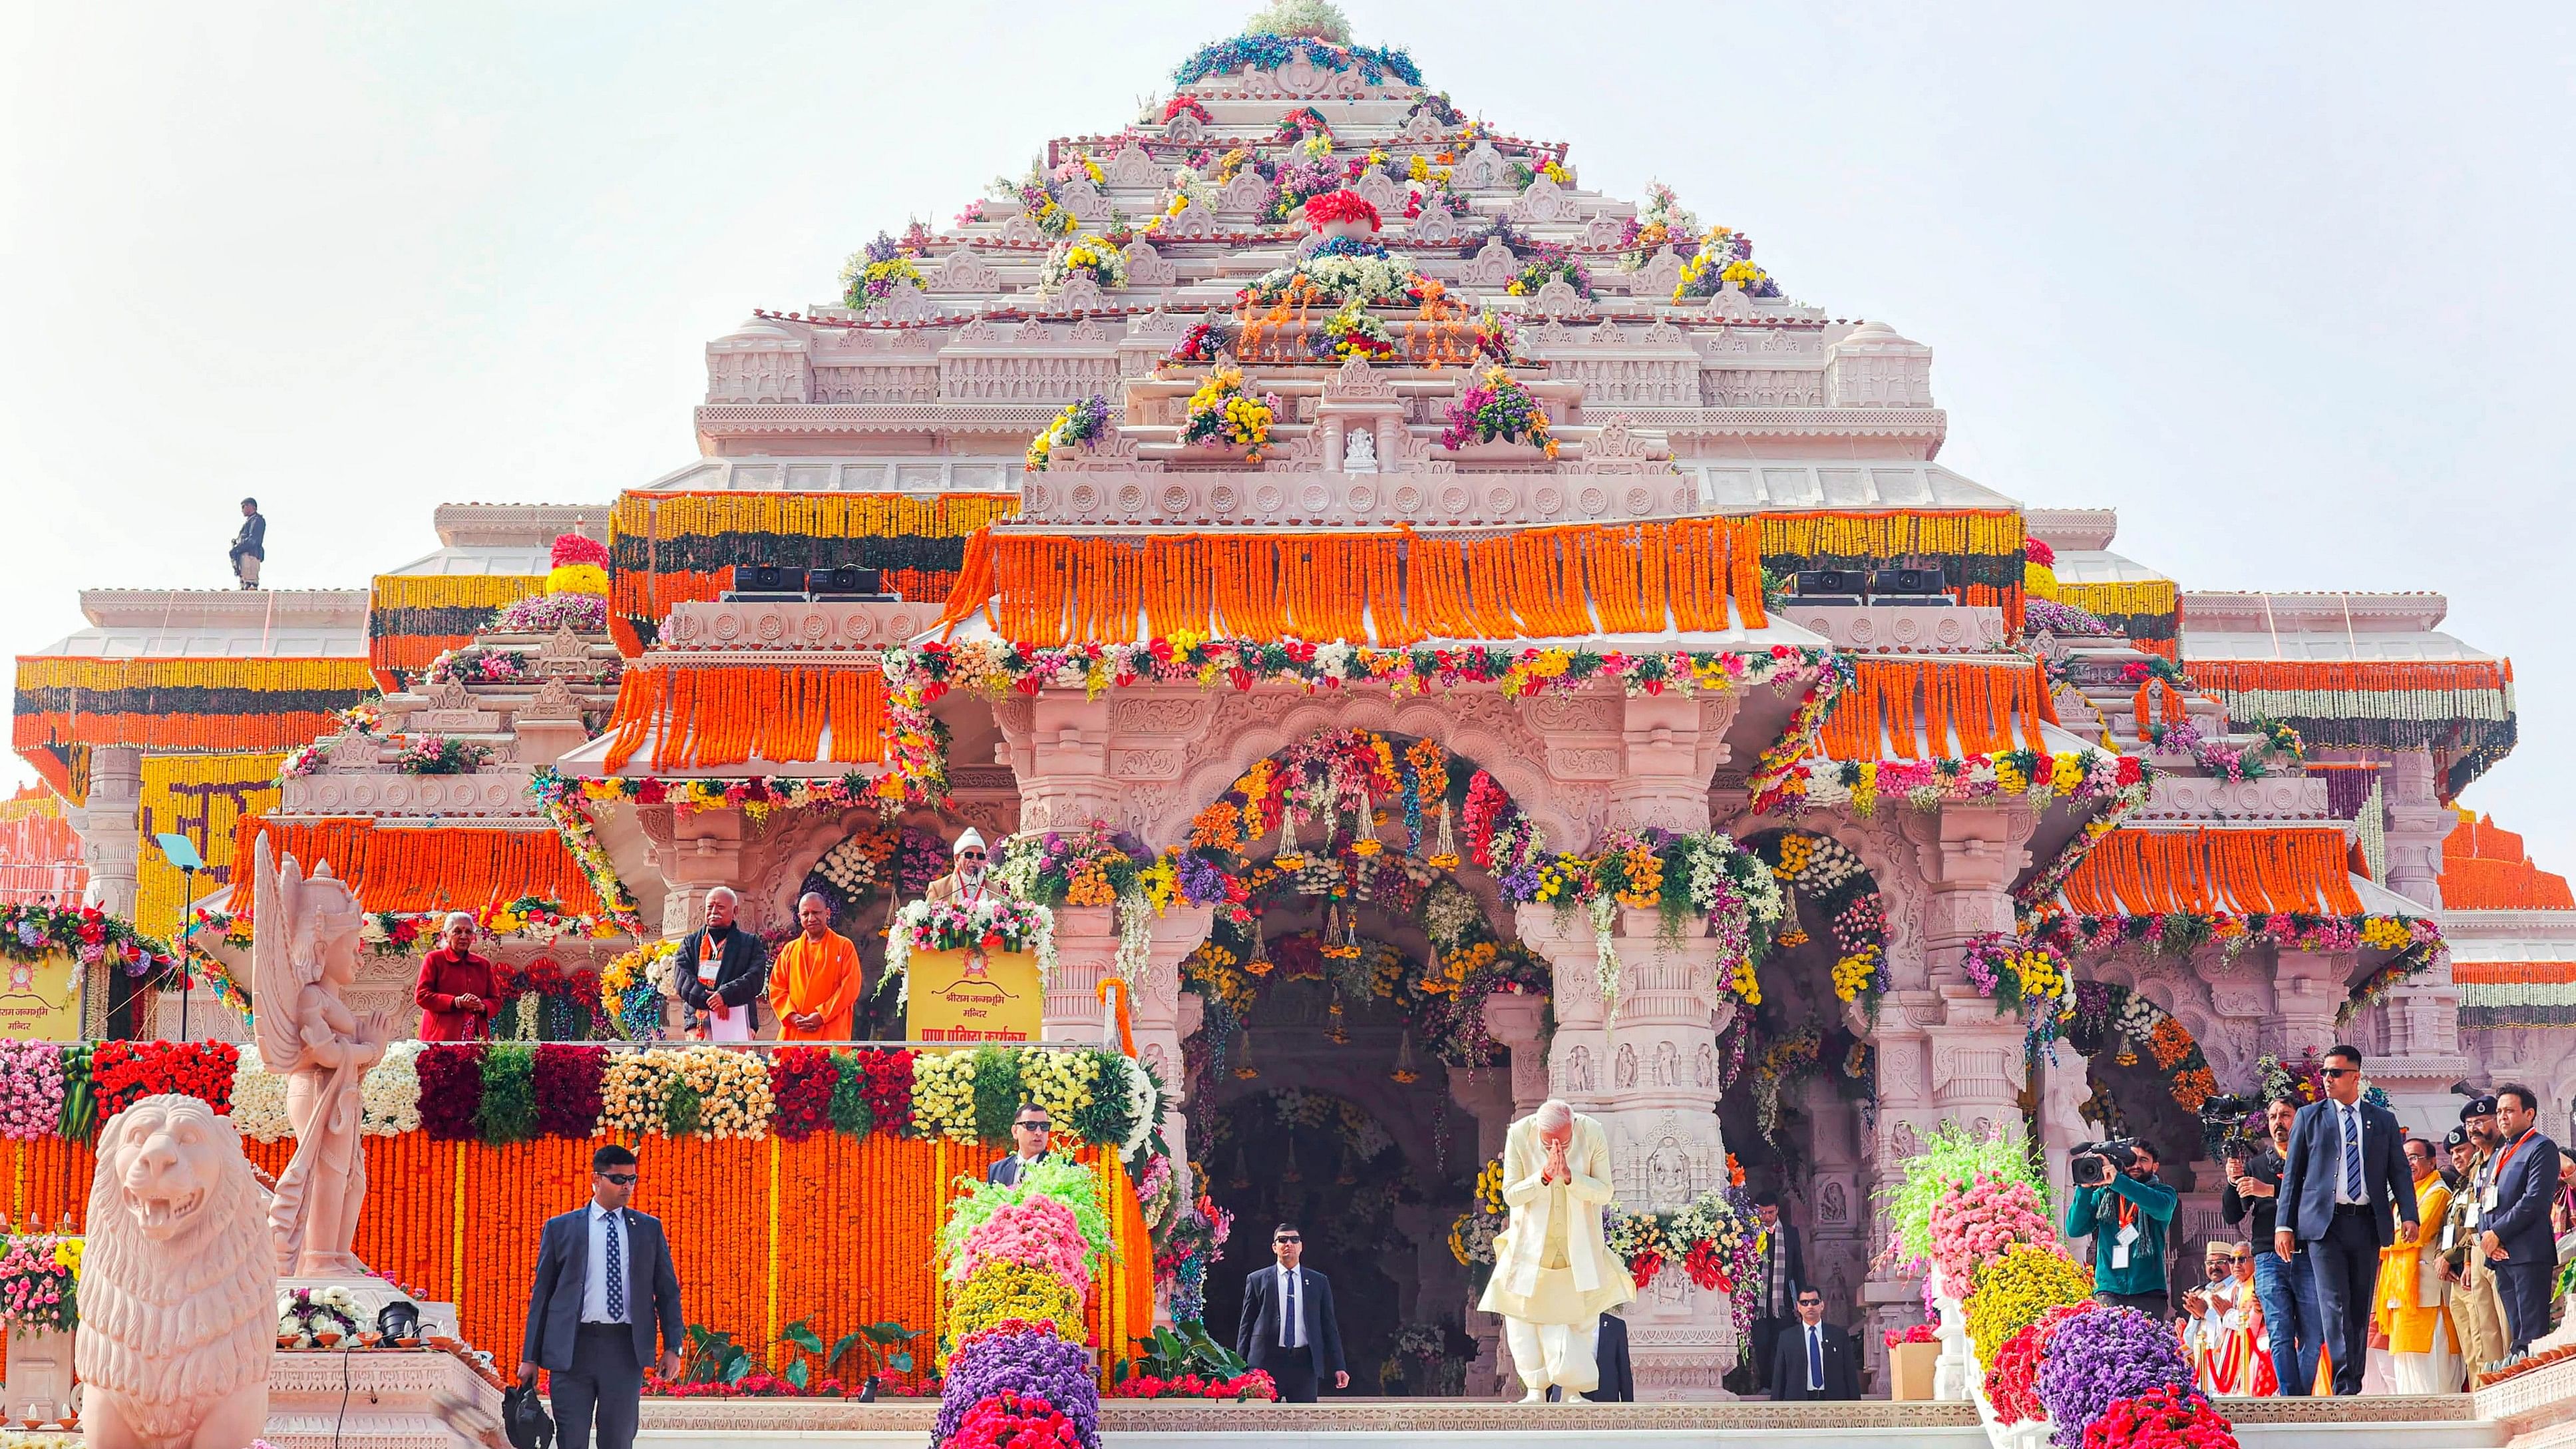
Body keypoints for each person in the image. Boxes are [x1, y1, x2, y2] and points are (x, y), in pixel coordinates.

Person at [2275, 1044, 2418, 1396]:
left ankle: (2353, 1377)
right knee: (2334, 1302)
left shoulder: (2381, 1120)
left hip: (2366, 1221)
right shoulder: (2310, 1116)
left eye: (2336, 1073)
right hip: (2325, 1225)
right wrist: (2284, 1225)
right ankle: (2343, 1381)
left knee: (2358, 1304)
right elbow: (2293, 1175)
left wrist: (2410, 1215)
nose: (2328, 1079)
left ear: (2356, 1077)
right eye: (2325, 1072)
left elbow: (2398, 1171)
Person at [520, 1145, 685, 1449]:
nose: (627, 1187)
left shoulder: (648, 1229)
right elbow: (542, 1295)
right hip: (572, 1350)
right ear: (595, 1179)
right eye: (618, 1179)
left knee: (619, 1440)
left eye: (632, 1180)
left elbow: (667, 1292)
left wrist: (674, 1346)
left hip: (624, 1350)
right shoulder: (561, 1228)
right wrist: (530, 1357)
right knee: (571, 1440)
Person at [1477, 1099, 1637, 1402]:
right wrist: (1544, 1178)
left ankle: (1573, 1390)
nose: (1556, 1150)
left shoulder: (1592, 1132)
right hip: (1531, 1246)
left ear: (1574, 1126)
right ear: (1538, 1130)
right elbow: (1511, 1194)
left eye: (1563, 1143)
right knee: (1524, 1317)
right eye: (1548, 1143)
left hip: (1579, 1246)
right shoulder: (1520, 1134)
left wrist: (1569, 1177)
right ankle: (1536, 1389)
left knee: (1577, 1319)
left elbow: (1605, 1191)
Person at [2226, 1095, 2322, 1395]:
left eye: (2285, 1115)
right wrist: (2233, 1182)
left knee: (2312, 1332)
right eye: (2272, 1117)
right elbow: (2233, 1213)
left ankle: (2300, 1400)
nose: (2278, 1122)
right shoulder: (2257, 1164)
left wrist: (2270, 1190)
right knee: (2280, 1332)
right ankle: (2291, 1400)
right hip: (2268, 1255)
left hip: (2308, 1251)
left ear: (2300, 1118)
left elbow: (2317, 1198)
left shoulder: (2316, 1157)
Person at [2373, 1137, 2459, 1394]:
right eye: (2404, 1158)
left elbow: (2416, 1234)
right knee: (2407, 1372)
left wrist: (2375, 1243)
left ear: (2432, 1162)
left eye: (2414, 1157)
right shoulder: (2405, 1197)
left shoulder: (2438, 1192)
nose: (2408, 1163)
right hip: (2402, 1295)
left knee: (2432, 1372)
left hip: (2426, 1295)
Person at [2480, 1083, 2560, 1356]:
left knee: (2531, 1333)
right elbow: (2484, 1200)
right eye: (2499, 1111)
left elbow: (2535, 1200)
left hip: (2528, 1251)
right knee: (2516, 1332)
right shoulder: (2499, 1154)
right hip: (2500, 1254)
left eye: (2510, 1111)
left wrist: (2497, 1233)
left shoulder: (2542, 1148)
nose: (2502, 1117)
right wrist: (2486, 1237)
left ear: (2529, 1114)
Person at [1234, 1223, 1346, 1403]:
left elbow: (1329, 1326)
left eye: (1294, 1240)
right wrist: (1239, 1367)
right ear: (1274, 1247)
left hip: (1304, 1364)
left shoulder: (1318, 1282)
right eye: (1283, 1240)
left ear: (1301, 1246)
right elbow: (1246, 1326)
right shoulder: (1257, 1279)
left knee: (1304, 1425)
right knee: (1263, 1424)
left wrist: (1339, 1365)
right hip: (1266, 1364)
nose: (1289, 1244)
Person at [2066, 1138, 2177, 1317]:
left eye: (2143, 1160)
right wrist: (2085, 1188)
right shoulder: (2105, 1194)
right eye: (2131, 1159)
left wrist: (2118, 1181)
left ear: (2155, 1166)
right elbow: (2075, 1228)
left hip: (2149, 1292)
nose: (2136, 1165)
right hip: (2109, 1290)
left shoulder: (2164, 1193)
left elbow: (2159, 1207)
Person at [2441, 1103, 2511, 1378]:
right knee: (2484, 1329)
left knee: (2504, 1325)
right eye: (2470, 1124)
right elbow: (2472, 1216)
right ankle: (2491, 1385)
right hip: (2478, 1248)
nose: (2475, 1129)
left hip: (2502, 1243)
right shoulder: (2477, 1167)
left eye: (2481, 1121)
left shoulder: (2507, 1154)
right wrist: (2469, 1258)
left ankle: (2510, 1381)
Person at [768, 891, 861, 1043]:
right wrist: (791, 1016)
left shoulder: (844, 946)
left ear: (828, 913)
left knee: (828, 1066)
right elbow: (777, 988)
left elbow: (850, 988)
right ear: (799, 917)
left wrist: (822, 1015)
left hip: (831, 1029)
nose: (811, 918)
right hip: (795, 1031)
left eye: (816, 913)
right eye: (806, 914)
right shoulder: (790, 950)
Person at [673, 888, 764, 1042]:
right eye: (710, 907)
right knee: (699, 1064)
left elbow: (754, 979)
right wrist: (712, 1001)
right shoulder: (690, 942)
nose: (714, 911)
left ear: (735, 911)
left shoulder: (750, 943)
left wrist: (725, 995)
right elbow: (682, 980)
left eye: (721, 907)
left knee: (736, 1065)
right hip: (700, 1021)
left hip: (737, 1019)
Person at [1748, 1192, 1806, 1396]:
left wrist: (1802, 1298)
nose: (1766, 1217)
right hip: (1759, 1304)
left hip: (1783, 1302)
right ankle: (1766, 1385)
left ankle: (1780, 1385)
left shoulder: (1790, 1233)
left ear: (1777, 1211)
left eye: (1770, 1212)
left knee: (1782, 1344)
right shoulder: (1751, 1233)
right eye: (1762, 1213)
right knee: (1762, 1343)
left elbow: (1798, 1268)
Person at [412, 911, 498, 1041]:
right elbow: (422, 996)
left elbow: (496, 1001)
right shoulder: (434, 959)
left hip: (476, 1037)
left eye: (468, 932)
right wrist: (456, 1002)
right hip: (442, 1036)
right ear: (445, 935)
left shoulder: (482, 964)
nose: (464, 936)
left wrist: (482, 1006)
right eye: (457, 931)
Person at [1767, 1287, 1859, 1401]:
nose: (1810, 1306)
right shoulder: (1787, 1338)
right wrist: (1776, 1409)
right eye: (1805, 1303)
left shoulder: (1839, 1336)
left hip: (1833, 1402)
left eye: (1814, 1302)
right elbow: (1779, 1378)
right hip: (1799, 1403)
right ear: (1798, 1307)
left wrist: (1856, 1407)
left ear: (1822, 1305)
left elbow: (1850, 1375)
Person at [926, 829, 1013, 905]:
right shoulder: (938, 889)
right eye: (969, 855)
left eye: (980, 856)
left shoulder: (994, 890)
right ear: (957, 858)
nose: (975, 860)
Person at [986, 1102, 1056, 1186]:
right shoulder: (996, 1170)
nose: (1039, 1132)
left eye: (1044, 1126)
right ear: (1015, 1131)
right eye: (1031, 1126)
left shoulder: (1064, 1169)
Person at [230, 497, 266, 590]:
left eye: (243, 507)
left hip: (250, 555)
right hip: (245, 555)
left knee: (250, 584)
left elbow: (253, 540)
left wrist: (238, 547)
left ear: (251, 506)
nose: (242, 510)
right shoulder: (250, 521)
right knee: (244, 584)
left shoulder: (256, 520)